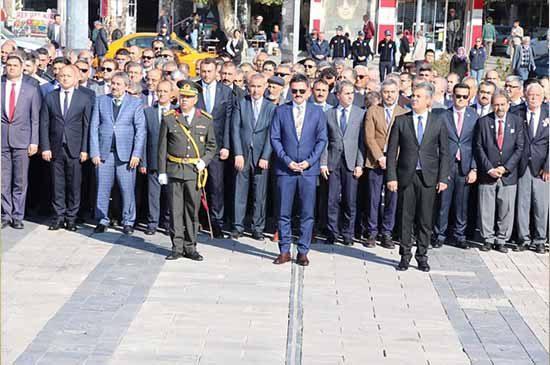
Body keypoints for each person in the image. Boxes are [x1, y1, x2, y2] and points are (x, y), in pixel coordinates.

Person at [386, 82, 450, 272]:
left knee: (424, 219)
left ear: (429, 101)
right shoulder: (401, 120)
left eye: (419, 96)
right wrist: (391, 177)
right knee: (405, 218)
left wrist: (443, 178)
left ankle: (422, 255)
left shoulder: (438, 121)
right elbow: (391, 152)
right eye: (413, 96)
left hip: (428, 177)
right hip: (406, 176)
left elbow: (445, 153)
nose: (414, 99)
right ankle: (405, 255)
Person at [270, 73, 328, 266]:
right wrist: (287, 161)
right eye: (294, 91)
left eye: (302, 91)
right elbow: (275, 139)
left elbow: (322, 140)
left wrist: (309, 162)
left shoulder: (317, 112)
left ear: (309, 91)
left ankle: (303, 251)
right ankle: (284, 250)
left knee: (307, 212)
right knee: (283, 212)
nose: (298, 94)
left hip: (307, 171)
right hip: (285, 169)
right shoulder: (281, 111)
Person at [158, 80, 217, 261]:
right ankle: (177, 246)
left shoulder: (205, 120)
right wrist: (162, 171)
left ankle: (190, 246)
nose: (184, 100)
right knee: (175, 210)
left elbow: (212, 145)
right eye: (182, 97)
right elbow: (162, 148)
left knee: (192, 210)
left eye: (189, 97)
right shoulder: (169, 118)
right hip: (175, 169)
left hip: (193, 171)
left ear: (195, 99)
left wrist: (204, 162)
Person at [89, 72, 146, 234]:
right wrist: (94, 152)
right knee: (103, 187)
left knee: (127, 189)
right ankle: (102, 219)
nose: (114, 86)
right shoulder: (101, 101)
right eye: (113, 83)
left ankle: (128, 221)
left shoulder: (135, 103)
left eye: (118, 84)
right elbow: (94, 127)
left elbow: (140, 131)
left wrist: (136, 154)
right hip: (104, 153)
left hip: (126, 155)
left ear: (127, 86)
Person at [39, 65, 92, 231]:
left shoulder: (83, 98)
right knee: (57, 184)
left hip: (75, 149)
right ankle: (58, 217)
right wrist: (45, 147)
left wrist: (85, 149)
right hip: (55, 148)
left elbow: (87, 125)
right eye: (62, 76)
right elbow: (44, 123)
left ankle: (71, 218)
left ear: (75, 78)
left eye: (68, 76)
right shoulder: (50, 97)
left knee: (74, 185)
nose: (65, 78)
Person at [475, 90, 524, 253]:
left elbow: (520, 148)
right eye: (496, 104)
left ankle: (502, 239)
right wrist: (488, 168)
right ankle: (488, 239)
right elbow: (478, 146)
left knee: (506, 208)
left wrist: (505, 168)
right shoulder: (483, 122)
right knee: (486, 208)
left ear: (508, 105)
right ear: (492, 105)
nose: (500, 108)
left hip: (508, 174)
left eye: (503, 104)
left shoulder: (517, 122)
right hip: (487, 172)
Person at [231, 73, 277, 239]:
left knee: (260, 193)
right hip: (243, 153)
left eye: (259, 86)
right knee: (240, 191)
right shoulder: (241, 104)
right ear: (247, 87)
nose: (255, 90)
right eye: (252, 86)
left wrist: (265, 156)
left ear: (265, 87)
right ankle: (238, 226)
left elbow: (272, 134)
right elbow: (235, 129)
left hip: (261, 155)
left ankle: (258, 227)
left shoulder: (271, 107)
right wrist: (237, 153)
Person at [432, 82, 478, 249]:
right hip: (447, 164)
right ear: (452, 97)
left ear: (469, 98)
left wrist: (474, 168)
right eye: (457, 96)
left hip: (465, 165)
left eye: (464, 97)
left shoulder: (474, 116)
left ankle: (459, 235)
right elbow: (437, 143)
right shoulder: (442, 115)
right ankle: (439, 234)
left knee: (462, 204)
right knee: (443, 202)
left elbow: (476, 144)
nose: (460, 99)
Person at [320, 80, 365, 246]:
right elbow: (323, 140)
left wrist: (359, 164)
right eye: (346, 93)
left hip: (351, 161)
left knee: (349, 200)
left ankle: (348, 233)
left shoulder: (360, 114)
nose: (350, 96)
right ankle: (332, 232)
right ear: (338, 95)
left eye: (352, 93)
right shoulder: (328, 114)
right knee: (332, 199)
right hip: (333, 161)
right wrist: (323, 163)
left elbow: (362, 142)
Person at [364, 78, 406, 248]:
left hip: (394, 163)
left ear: (397, 93)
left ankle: (387, 232)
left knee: (392, 199)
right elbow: (369, 137)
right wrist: (379, 157)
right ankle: (371, 232)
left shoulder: (403, 112)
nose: (389, 95)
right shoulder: (373, 111)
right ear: (381, 93)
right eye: (386, 92)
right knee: (373, 198)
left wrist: (392, 160)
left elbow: (405, 140)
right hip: (375, 161)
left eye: (392, 92)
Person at [1, 55, 42, 229]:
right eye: (8, 65)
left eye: (15, 65)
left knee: (20, 180)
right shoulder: (1, 86)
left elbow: (35, 119)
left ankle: (18, 215)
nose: (11, 68)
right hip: (2, 138)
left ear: (21, 68)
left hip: (22, 140)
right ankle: (5, 214)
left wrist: (34, 142)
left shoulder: (30, 90)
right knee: (3, 180)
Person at [196, 58, 233, 238]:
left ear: (216, 72)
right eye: (203, 71)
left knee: (216, 186)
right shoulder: (194, 89)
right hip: (197, 147)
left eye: (209, 71)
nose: (206, 74)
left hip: (217, 147)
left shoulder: (226, 92)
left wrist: (226, 145)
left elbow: (228, 122)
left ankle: (216, 222)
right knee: (195, 185)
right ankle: (196, 220)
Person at [511, 82, 549, 253]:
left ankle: (540, 239)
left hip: (542, 168)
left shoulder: (548, 113)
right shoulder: (517, 112)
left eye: (537, 95)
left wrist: (548, 167)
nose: (533, 98)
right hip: (523, 165)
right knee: (523, 204)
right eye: (531, 95)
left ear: (543, 97)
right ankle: (523, 238)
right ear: (525, 96)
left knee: (541, 205)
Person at [141, 80, 174, 235]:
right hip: (153, 160)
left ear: (171, 94)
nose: (161, 94)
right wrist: (143, 161)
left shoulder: (177, 112)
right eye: (159, 91)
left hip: (171, 161)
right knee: (153, 194)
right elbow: (143, 138)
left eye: (165, 91)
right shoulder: (148, 112)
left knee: (169, 194)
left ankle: (167, 222)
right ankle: (152, 222)